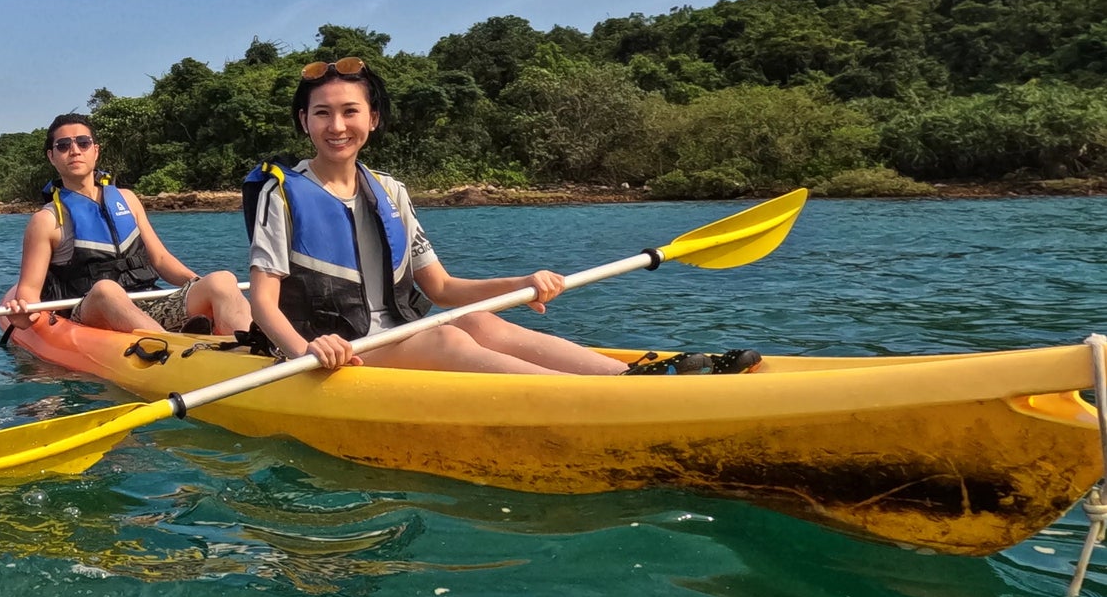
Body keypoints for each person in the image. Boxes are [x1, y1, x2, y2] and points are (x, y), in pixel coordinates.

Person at [245, 59, 759, 375]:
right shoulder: (283, 194)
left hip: (393, 335)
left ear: (373, 120)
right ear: (303, 122)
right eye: (322, 113)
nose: (337, 125)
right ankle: (618, 398)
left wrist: (525, 282)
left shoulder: (391, 192)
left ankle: (632, 375)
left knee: (472, 319)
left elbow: (442, 289)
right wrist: (306, 351)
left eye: (351, 111)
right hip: (328, 350)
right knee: (445, 335)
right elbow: (266, 306)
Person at [3, 113, 253, 337]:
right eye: (63, 145)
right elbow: (29, 293)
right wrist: (22, 311)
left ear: (96, 150)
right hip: (90, 312)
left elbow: (161, 260)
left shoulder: (127, 199)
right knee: (106, 290)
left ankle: (251, 350)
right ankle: (174, 349)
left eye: (83, 143)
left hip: (145, 303)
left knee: (222, 280)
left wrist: (198, 282)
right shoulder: (46, 220)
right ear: (52, 156)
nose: (75, 150)